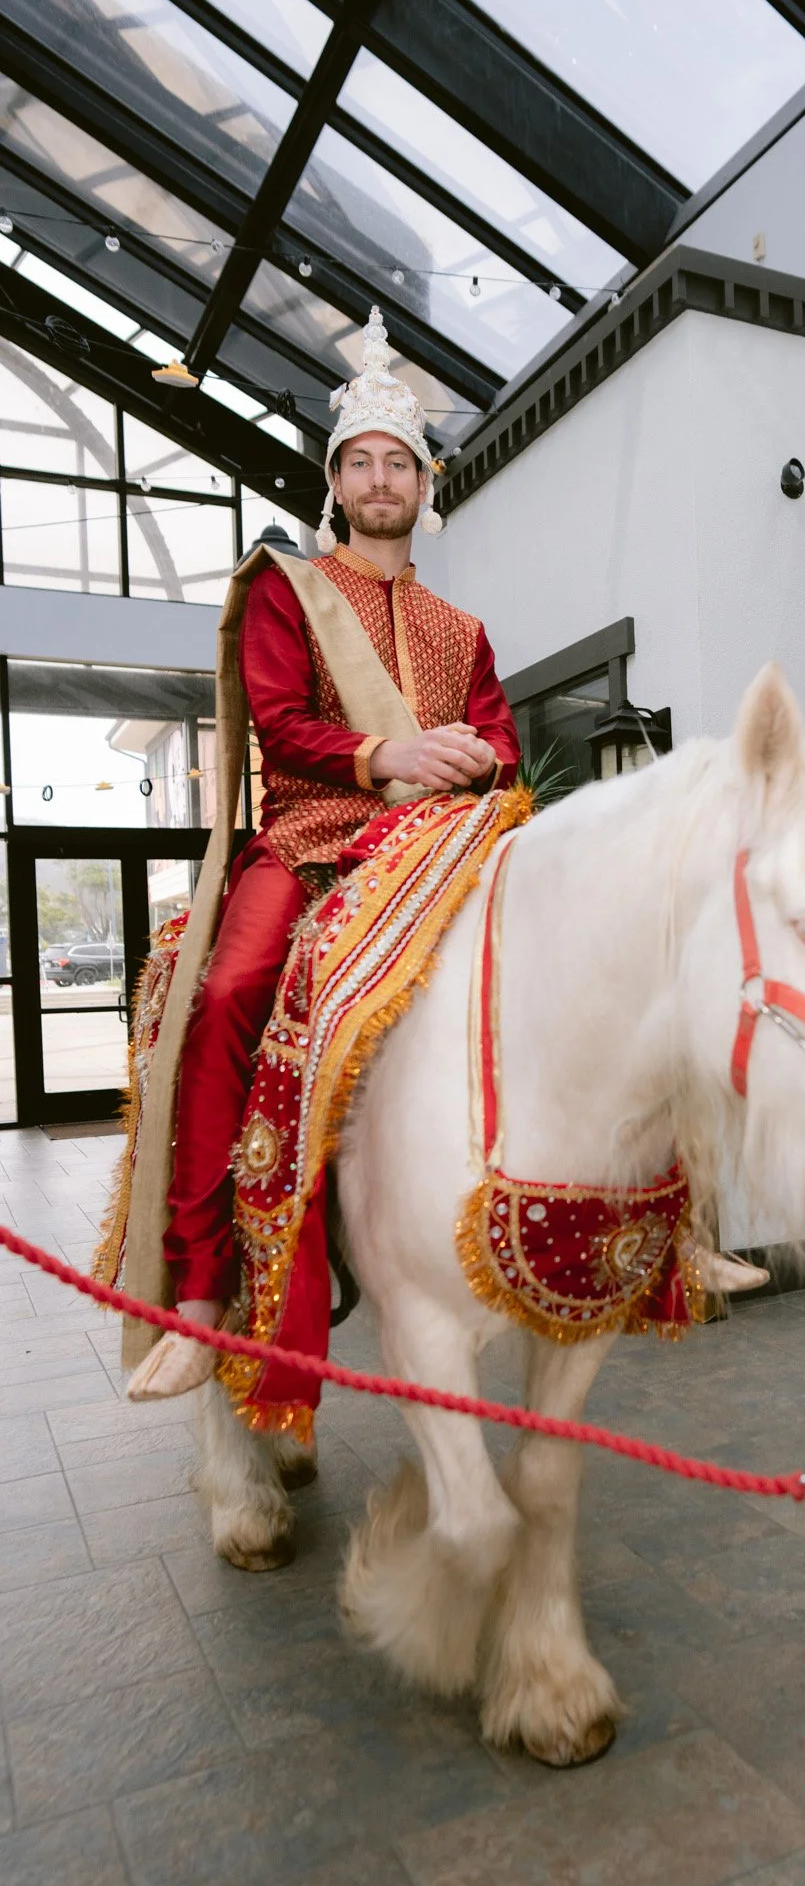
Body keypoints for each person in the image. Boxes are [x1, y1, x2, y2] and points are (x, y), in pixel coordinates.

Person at [127, 310, 519, 1400]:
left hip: (433, 854)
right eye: (362, 462)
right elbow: (280, 723)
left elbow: (503, 739)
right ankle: (201, 1293)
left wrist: (471, 761)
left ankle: (661, 1233)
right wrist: (390, 749)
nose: (382, 478)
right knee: (230, 993)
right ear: (336, 484)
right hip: (308, 842)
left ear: (425, 484)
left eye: (400, 462)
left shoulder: (463, 627)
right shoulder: (287, 589)